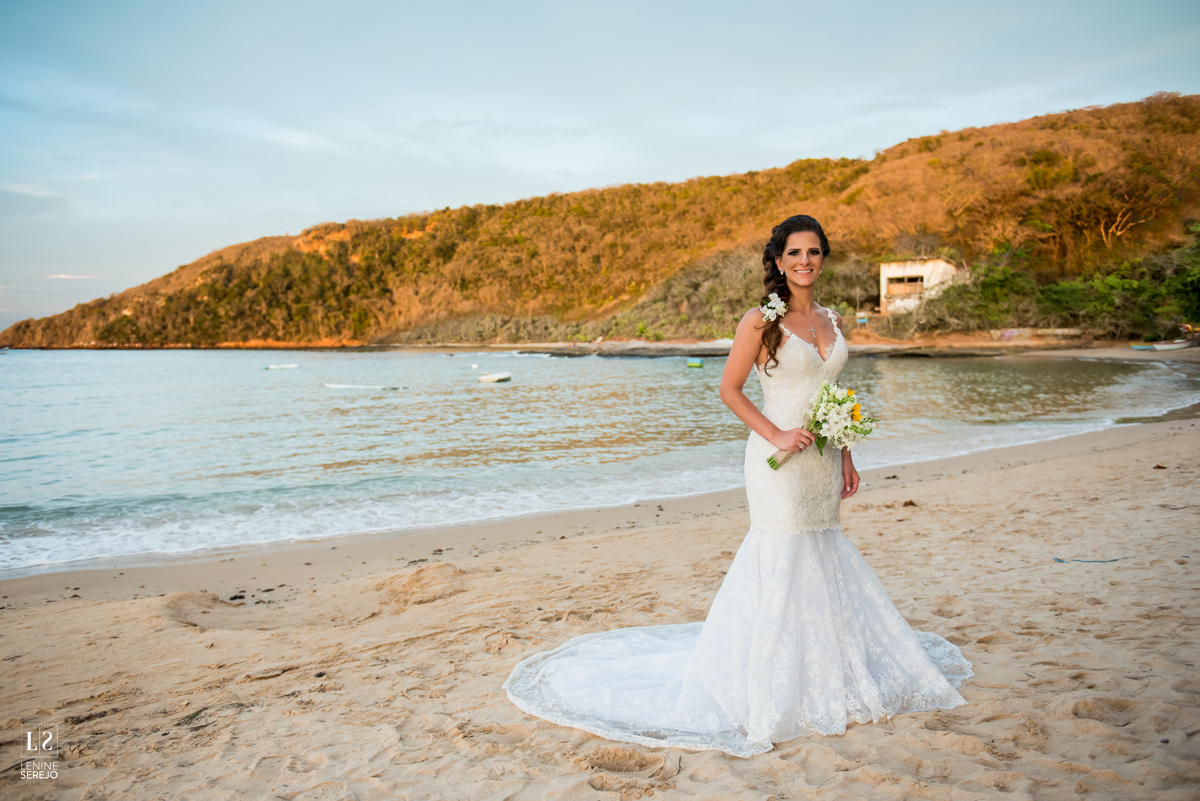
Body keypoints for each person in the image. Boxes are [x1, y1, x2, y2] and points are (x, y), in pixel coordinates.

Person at [504, 215, 972, 757]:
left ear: (824, 258)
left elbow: (831, 396)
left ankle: (825, 670)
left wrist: (845, 452)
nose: (805, 261)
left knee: (820, 549)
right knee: (781, 551)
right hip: (777, 459)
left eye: (814, 252)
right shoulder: (760, 319)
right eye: (794, 252)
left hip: (821, 459)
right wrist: (775, 435)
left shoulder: (833, 319)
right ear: (778, 261)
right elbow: (729, 389)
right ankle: (771, 682)